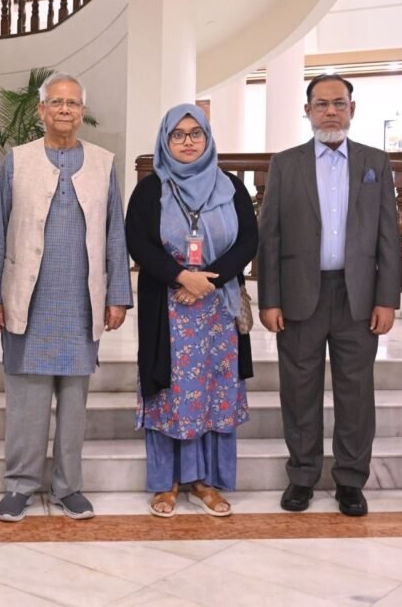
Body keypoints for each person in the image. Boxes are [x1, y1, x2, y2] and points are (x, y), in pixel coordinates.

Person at [0, 72, 132, 523]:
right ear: (41, 110)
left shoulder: (103, 163)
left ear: (82, 112)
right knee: (26, 402)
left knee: (73, 405)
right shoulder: (18, 160)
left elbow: (115, 234)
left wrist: (117, 296)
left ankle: (70, 487)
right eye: (56, 102)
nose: (65, 109)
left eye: (72, 103)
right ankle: (20, 485)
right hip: (27, 297)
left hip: (80, 301)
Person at [257, 74, 401, 516]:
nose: (331, 112)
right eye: (321, 104)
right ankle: (302, 476)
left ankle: (351, 481)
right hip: (301, 295)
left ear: (352, 109)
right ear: (308, 111)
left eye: (339, 103)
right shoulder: (286, 164)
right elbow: (270, 236)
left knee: (355, 392)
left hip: (358, 297)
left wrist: (387, 299)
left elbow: (389, 236)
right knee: (299, 389)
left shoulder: (375, 162)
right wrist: (269, 299)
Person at [125, 104, 257, 517]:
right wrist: (181, 277)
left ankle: (206, 482)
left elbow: (249, 240)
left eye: (195, 133)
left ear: (207, 139)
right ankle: (166, 483)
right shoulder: (151, 189)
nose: (187, 141)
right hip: (167, 307)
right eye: (178, 134)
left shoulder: (230, 187)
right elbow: (138, 242)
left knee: (215, 392)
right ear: (165, 140)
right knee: (170, 394)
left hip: (219, 309)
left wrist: (207, 281)